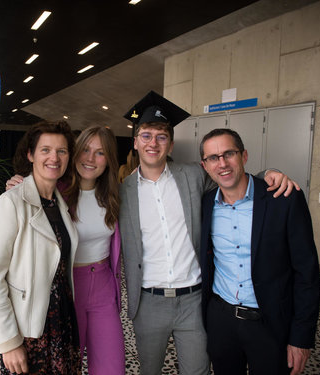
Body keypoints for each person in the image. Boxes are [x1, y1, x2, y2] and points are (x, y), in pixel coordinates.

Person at [118, 91, 299, 375]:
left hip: (193, 300)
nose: (154, 143)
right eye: (146, 135)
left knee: (198, 370)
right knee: (148, 371)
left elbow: (229, 178)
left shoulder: (192, 175)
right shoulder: (122, 193)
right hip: (148, 302)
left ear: (171, 143)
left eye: (162, 136)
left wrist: (268, 174)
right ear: (136, 141)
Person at [199, 128, 320, 375]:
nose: (222, 163)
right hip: (221, 320)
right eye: (213, 157)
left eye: (229, 153)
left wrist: (301, 338)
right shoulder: (205, 203)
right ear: (205, 165)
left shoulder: (283, 198)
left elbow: (306, 273)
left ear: (244, 156)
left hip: (271, 322)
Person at [6, 125, 125, 374]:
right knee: (66, 365)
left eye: (100, 153)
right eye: (85, 150)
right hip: (67, 287)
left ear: (109, 160)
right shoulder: (52, 192)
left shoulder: (113, 195)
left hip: (104, 287)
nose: (90, 159)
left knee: (111, 366)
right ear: (74, 154)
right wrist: (18, 185)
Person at [0, 121, 81, 375]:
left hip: (59, 320)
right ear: (30, 154)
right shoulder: (11, 203)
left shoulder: (59, 205)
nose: (54, 158)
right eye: (45, 150)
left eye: (62, 151)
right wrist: (8, 342)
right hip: (24, 328)